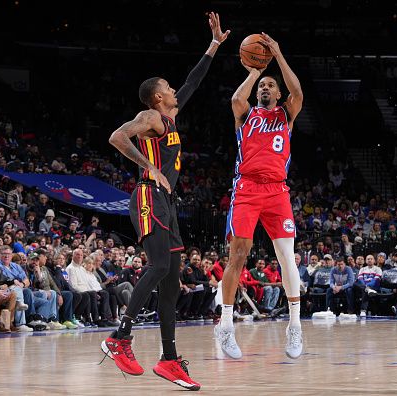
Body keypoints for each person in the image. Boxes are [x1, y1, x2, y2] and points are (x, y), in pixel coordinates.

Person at [101, 12, 229, 390]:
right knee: (158, 267)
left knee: (171, 283)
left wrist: (215, 44)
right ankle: (119, 337)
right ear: (158, 97)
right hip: (147, 196)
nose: (175, 91)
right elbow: (116, 137)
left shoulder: (170, 117)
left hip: (166, 204)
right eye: (168, 89)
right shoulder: (149, 117)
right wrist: (149, 167)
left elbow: (193, 82)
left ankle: (169, 360)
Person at [217, 32, 304, 360]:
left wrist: (277, 55)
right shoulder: (246, 114)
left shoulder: (287, 114)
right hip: (247, 189)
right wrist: (254, 70)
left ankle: (294, 325)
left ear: (279, 93)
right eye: (261, 87)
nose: (265, 88)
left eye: (270, 85)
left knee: (286, 256)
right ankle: (226, 326)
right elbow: (236, 101)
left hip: (277, 191)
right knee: (238, 255)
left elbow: (297, 91)